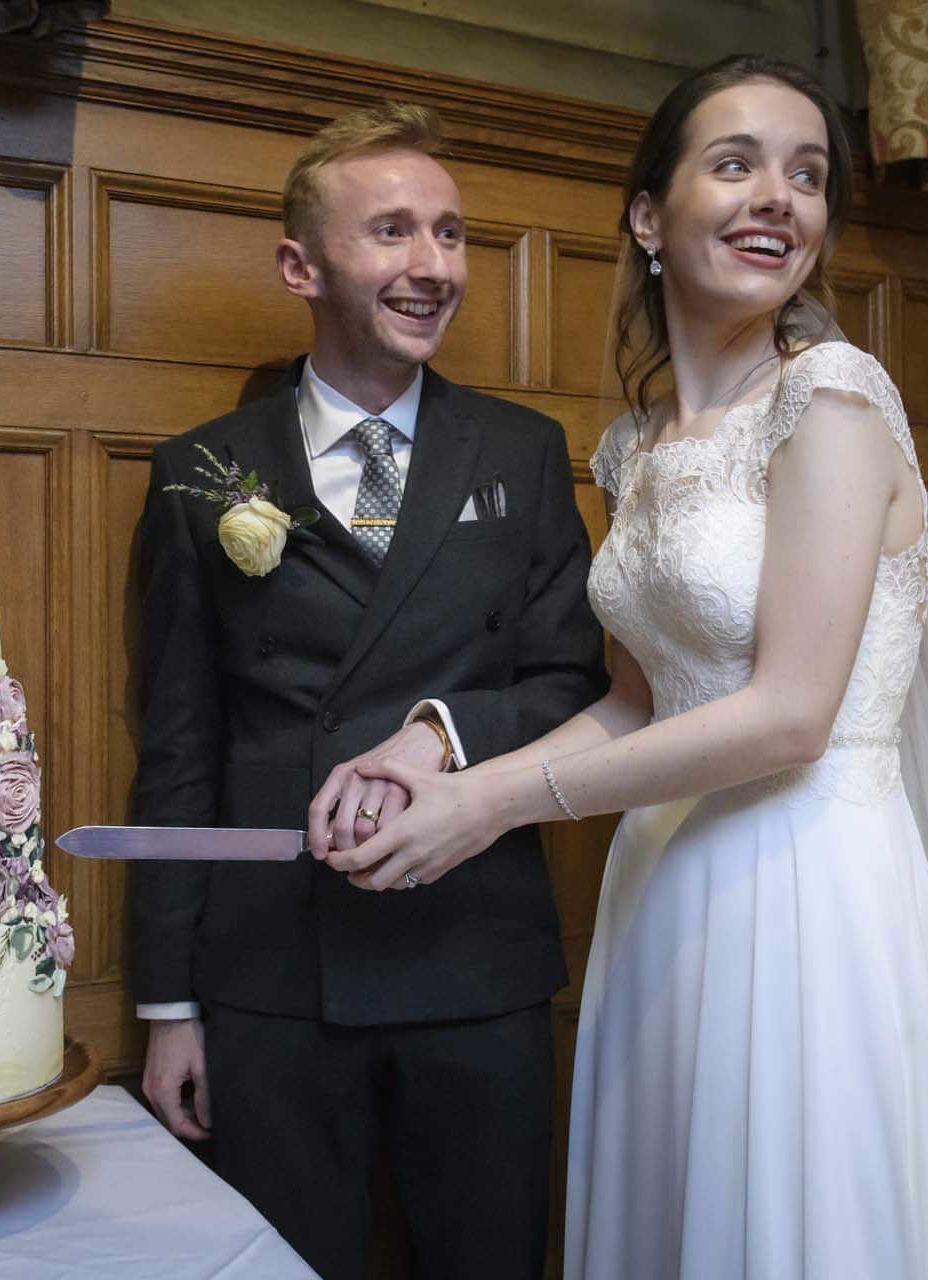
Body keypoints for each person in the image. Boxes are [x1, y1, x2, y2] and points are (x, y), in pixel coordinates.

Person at [322, 56, 928, 1279]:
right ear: (650, 215)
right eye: (736, 163)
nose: (777, 198)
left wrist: (493, 804)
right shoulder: (634, 447)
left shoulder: (832, 397)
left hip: (808, 882)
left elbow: (793, 714)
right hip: (667, 887)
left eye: (808, 175)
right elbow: (634, 701)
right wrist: (441, 768)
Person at [129, 101, 607, 1279]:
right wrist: (167, 1003)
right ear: (301, 266)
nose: (434, 265)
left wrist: (442, 732)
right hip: (272, 969)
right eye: (393, 231)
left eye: (450, 233)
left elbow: (573, 680)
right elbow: (179, 746)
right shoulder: (201, 470)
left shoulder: (523, 452)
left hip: (476, 954)